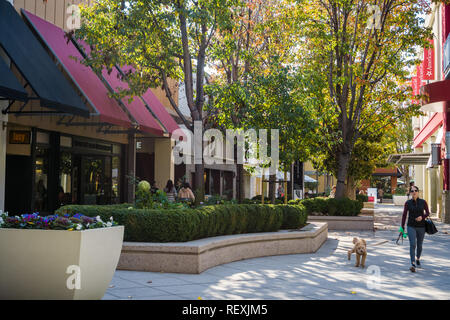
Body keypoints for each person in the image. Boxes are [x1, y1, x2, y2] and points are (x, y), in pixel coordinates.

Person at [401, 186, 430, 273]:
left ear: (418, 192)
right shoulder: (407, 203)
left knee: (419, 245)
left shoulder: (423, 202)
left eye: (415, 190)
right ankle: (412, 263)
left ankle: (418, 258)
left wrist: (422, 217)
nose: (414, 192)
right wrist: (402, 227)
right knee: (413, 244)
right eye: (412, 191)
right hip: (411, 226)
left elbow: (428, 213)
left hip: (421, 226)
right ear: (410, 193)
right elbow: (404, 215)